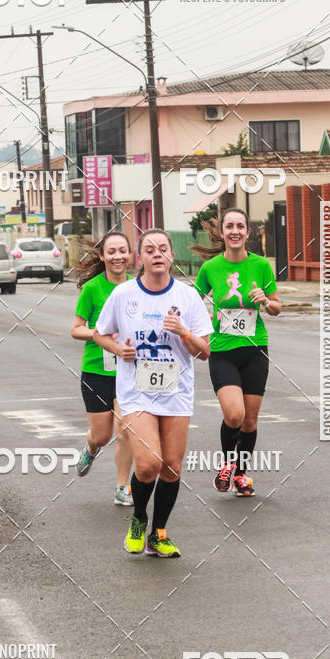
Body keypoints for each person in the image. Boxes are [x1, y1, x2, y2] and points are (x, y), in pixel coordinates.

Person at [95, 229, 212, 557]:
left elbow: (204, 351)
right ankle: (138, 518)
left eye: (163, 248)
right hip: (137, 393)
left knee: (172, 466)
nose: (157, 254)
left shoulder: (188, 298)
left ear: (171, 255)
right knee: (148, 465)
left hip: (176, 392)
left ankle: (158, 533)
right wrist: (120, 349)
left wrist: (184, 332)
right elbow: (99, 334)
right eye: (150, 249)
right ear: (140, 258)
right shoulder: (123, 294)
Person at [193, 208, 281, 497]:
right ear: (222, 233)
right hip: (222, 351)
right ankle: (228, 462)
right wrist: (199, 324)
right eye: (229, 226)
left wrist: (265, 300)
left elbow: (277, 307)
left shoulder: (261, 266)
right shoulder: (210, 269)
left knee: (250, 420)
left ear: (247, 232)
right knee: (234, 415)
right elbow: (192, 301)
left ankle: (241, 474)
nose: (234, 231)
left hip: (255, 349)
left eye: (240, 226)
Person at [71, 233, 134, 506]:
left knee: (125, 430)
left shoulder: (138, 288)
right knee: (103, 435)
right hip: (97, 370)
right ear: (102, 256)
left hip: (130, 371)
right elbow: (75, 329)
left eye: (122, 251)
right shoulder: (93, 289)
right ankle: (90, 447)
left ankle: (123, 486)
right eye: (111, 252)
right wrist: (101, 334)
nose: (117, 256)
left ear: (131, 255)